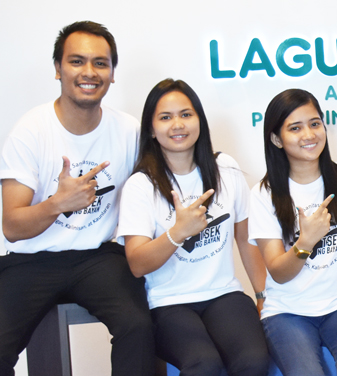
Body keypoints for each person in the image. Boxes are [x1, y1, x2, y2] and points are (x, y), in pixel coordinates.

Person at [0, 21, 155, 375]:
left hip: (98, 258)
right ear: (57, 69)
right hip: (32, 260)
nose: (89, 72)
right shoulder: (31, 131)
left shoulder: (128, 130)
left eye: (100, 63)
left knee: (138, 328)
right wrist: (57, 203)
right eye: (76, 61)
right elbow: (12, 227)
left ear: (113, 74)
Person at [116, 79, 270, 376]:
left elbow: (245, 238)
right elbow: (137, 264)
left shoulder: (225, 168)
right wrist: (177, 233)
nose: (178, 124)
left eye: (186, 114)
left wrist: (263, 297)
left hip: (223, 294)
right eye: (165, 117)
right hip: (168, 303)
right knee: (204, 365)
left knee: (253, 361)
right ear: (150, 129)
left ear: (200, 120)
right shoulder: (141, 185)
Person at [248, 89, 337, 376]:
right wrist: (306, 241)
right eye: (295, 128)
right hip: (287, 312)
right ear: (276, 138)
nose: (308, 134)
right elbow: (278, 273)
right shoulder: (263, 194)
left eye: (314, 123)